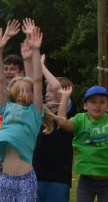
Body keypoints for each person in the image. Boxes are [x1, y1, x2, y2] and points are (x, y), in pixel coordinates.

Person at [0, 20, 62, 202]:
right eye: (18, 90)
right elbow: (0, 79)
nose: (21, 94)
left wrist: (36, 50)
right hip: (6, 179)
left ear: (32, 96)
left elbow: (37, 79)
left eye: (26, 91)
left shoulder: (34, 113)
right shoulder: (7, 108)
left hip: (26, 179)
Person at [56, 59, 108, 202]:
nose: (97, 105)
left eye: (102, 102)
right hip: (86, 182)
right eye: (92, 101)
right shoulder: (80, 120)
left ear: (107, 107)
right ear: (85, 106)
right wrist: (65, 98)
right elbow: (61, 122)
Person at [31, 55, 77, 202]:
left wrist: (41, 65)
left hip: (58, 178)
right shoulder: (42, 111)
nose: (47, 94)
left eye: (50, 91)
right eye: (46, 90)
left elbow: (58, 88)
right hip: (37, 175)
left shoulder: (69, 109)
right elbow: (33, 87)